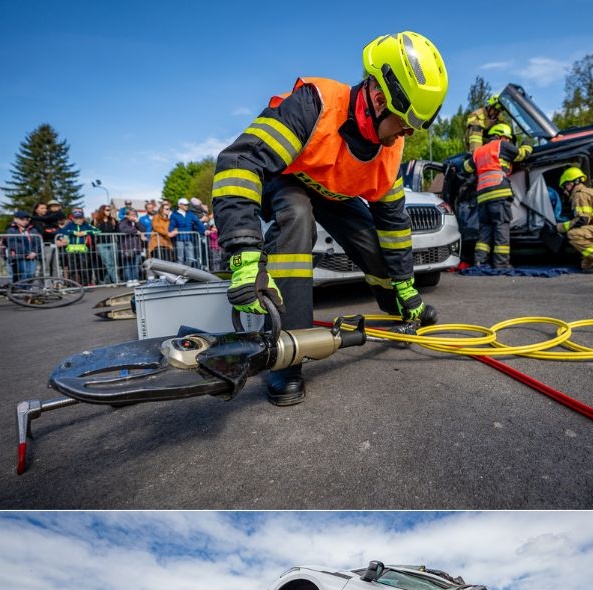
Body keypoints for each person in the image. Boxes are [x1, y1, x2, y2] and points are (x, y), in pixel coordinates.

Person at [211, 30, 448, 405]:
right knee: (297, 215)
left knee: (372, 242)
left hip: (333, 193)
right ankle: (285, 357)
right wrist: (243, 255)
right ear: (378, 96)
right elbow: (240, 161)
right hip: (288, 182)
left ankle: (398, 307)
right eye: (403, 121)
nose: (406, 132)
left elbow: (394, 226)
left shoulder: (390, 148)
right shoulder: (315, 105)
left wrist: (406, 288)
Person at [467, 122, 532, 267]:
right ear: (502, 135)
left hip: (482, 196)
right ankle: (501, 264)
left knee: (485, 229)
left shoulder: (479, 151)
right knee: (501, 227)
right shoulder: (501, 145)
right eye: (508, 138)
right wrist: (527, 144)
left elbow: (466, 167)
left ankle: (479, 261)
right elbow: (522, 155)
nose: (508, 141)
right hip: (499, 193)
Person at [6, 212, 42, 283]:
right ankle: (21, 290)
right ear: (15, 219)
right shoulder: (11, 230)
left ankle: (27, 289)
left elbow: (38, 241)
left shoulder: (32, 229)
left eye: (27, 219)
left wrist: (34, 252)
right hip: (19, 256)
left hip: (32, 256)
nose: (25, 221)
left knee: (31, 274)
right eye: (22, 219)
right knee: (23, 274)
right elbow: (14, 244)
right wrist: (27, 253)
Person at [169, 197, 205, 268]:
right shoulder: (174, 215)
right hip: (179, 239)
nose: (187, 206)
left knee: (191, 258)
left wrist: (204, 230)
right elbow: (171, 226)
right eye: (185, 205)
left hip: (189, 238)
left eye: (187, 205)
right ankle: (180, 274)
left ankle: (188, 273)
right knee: (180, 258)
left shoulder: (190, 214)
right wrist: (172, 231)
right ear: (180, 205)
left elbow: (198, 222)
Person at [35, 201, 65, 276]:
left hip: (55, 243)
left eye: (45, 208)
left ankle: (56, 283)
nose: (44, 210)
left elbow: (57, 229)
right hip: (46, 244)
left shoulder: (55, 216)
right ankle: (41, 284)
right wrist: (54, 233)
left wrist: (57, 236)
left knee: (56, 265)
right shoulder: (36, 220)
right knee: (45, 265)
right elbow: (43, 232)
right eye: (42, 208)